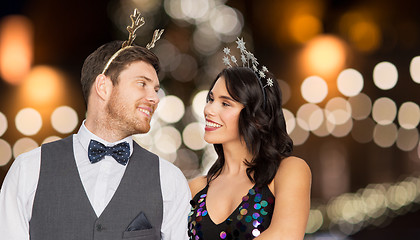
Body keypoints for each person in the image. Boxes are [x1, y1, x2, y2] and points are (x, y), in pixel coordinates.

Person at [0, 9, 191, 240]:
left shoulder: (169, 180)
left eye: (156, 90)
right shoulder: (28, 170)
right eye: (142, 84)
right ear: (103, 87)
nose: (153, 98)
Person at [188, 39, 312, 239]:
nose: (208, 110)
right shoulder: (195, 188)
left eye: (225, 103)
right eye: (211, 99)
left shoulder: (289, 171)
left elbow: (286, 234)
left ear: (255, 115)